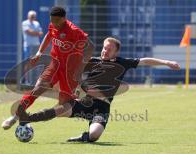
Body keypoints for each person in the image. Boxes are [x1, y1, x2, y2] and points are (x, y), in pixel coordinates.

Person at [17, 37, 180, 142]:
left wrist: (166, 62)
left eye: (109, 49)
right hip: (84, 103)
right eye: (104, 47)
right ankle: (26, 119)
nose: (104, 50)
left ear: (116, 52)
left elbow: (145, 61)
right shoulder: (92, 61)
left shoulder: (122, 63)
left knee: (95, 135)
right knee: (57, 111)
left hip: (102, 109)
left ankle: (83, 137)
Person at [1, 6, 94, 129]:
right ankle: (16, 116)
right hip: (55, 64)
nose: (54, 24)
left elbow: (90, 46)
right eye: (52, 21)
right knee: (38, 88)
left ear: (64, 19)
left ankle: (87, 110)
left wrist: (81, 67)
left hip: (69, 71)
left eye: (57, 21)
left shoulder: (73, 30)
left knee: (64, 105)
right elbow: (49, 35)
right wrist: (40, 52)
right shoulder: (52, 26)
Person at [22, 10, 43, 84]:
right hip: (28, 46)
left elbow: (40, 33)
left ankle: (34, 81)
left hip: (36, 45)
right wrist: (36, 33)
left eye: (34, 16)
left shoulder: (37, 23)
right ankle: (26, 80)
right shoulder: (25, 23)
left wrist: (34, 33)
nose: (33, 17)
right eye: (31, 16)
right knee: (28, 63)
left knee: (36, 63)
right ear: (28, 16)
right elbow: (28, 32)